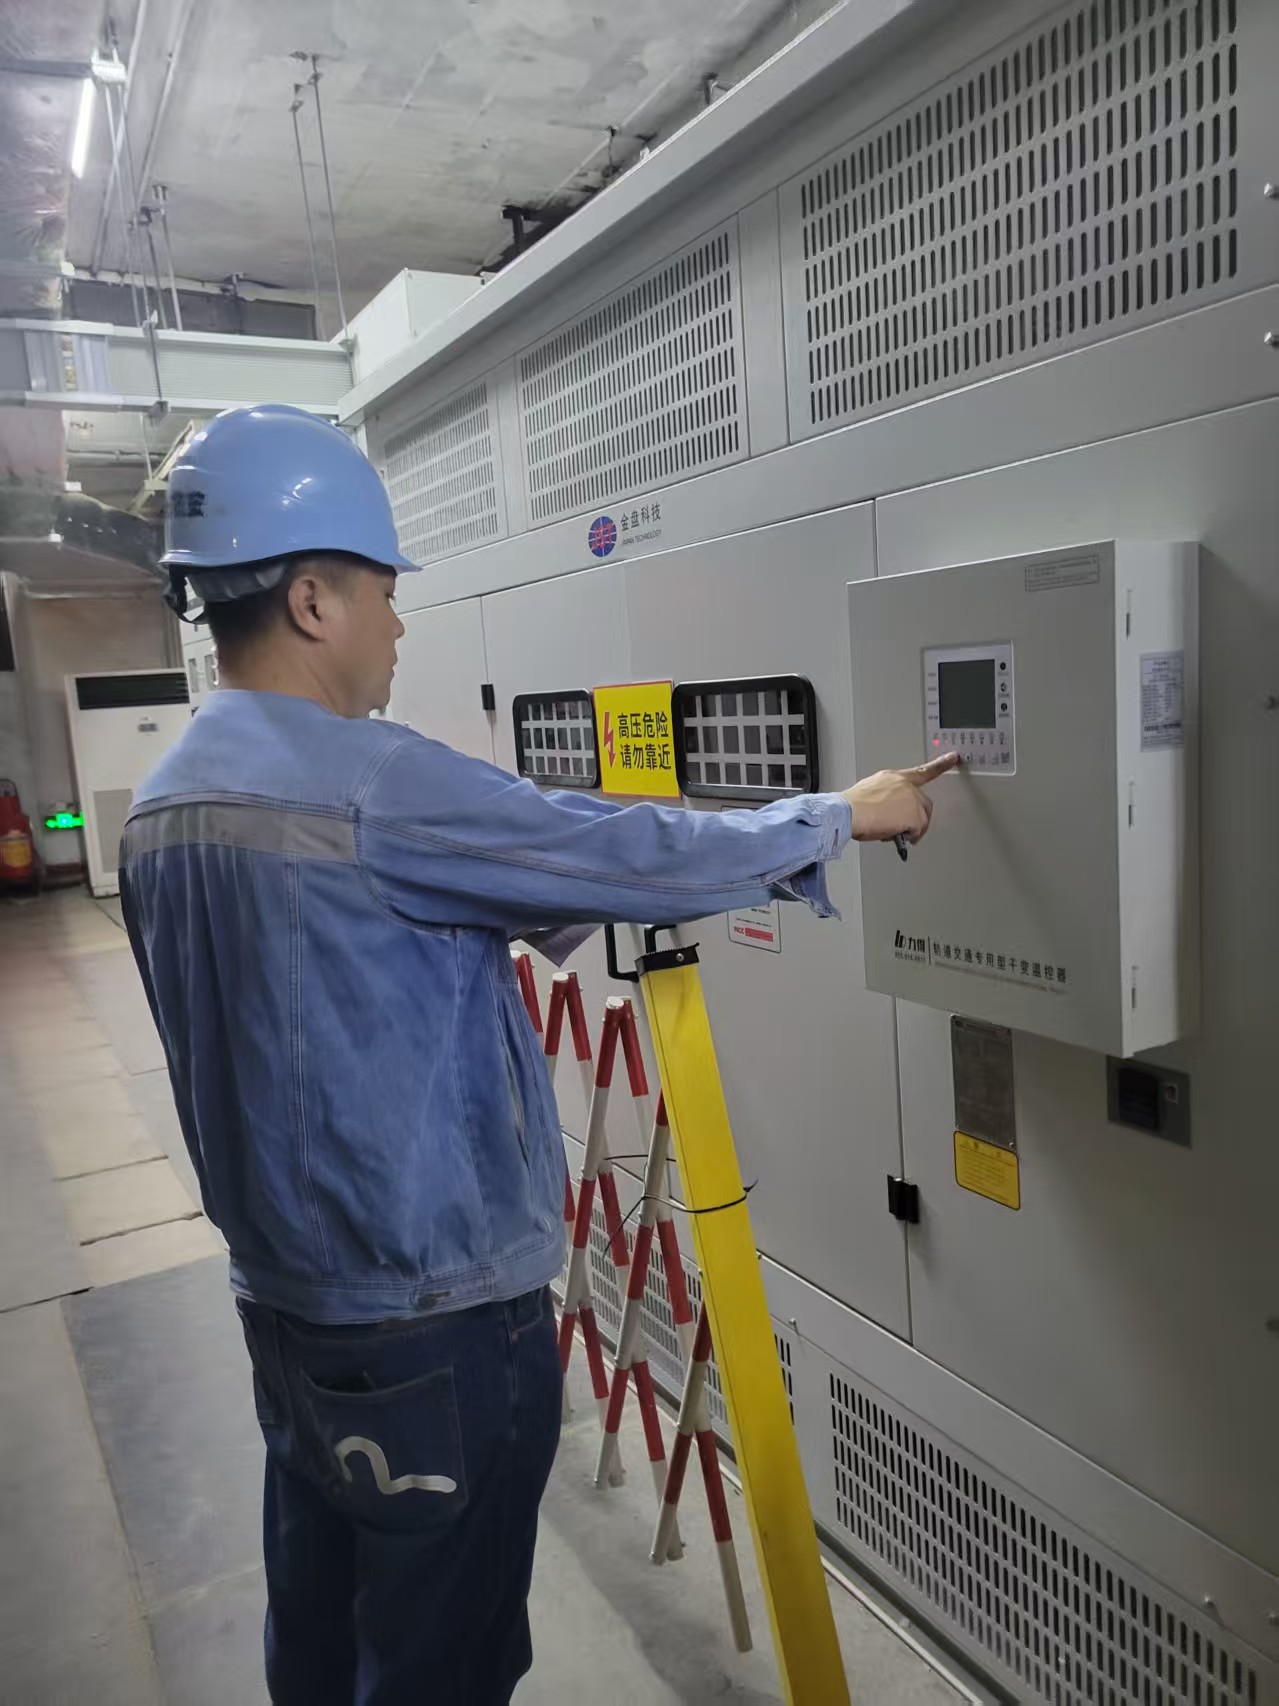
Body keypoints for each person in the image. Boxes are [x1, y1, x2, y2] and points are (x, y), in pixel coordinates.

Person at [120, 403, 957, 1706]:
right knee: (441, 1663)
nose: (401, 627)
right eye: (385, 594)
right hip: (435, 1330)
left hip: (285, 1317)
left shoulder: (161, 807)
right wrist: (835, 817)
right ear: (311, 600)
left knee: (322, 1643)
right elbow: (628, 851)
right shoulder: (373, 784)